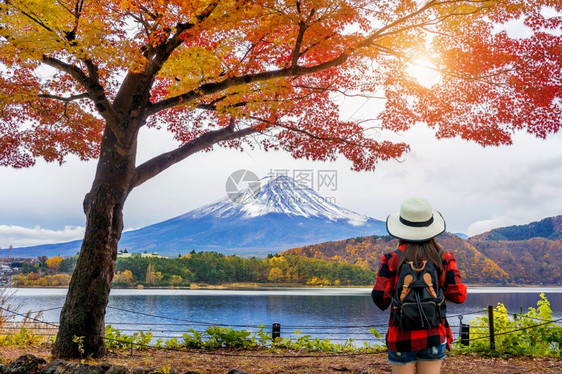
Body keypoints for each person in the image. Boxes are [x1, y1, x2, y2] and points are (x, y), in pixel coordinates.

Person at [372, 197, 467, 374]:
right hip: (434, 335)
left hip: (400, 336)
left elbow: (379, 298)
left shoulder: (391, 258)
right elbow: (459, 296)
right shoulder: (444, 257)